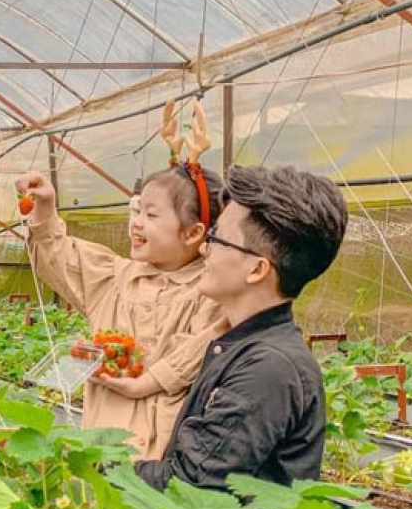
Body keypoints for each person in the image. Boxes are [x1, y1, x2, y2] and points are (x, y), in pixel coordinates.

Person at [15, 100, 227, 461]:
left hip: (164, 454)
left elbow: (206, 344)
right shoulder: (116, 277)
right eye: (137, 210)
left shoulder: (211, 291)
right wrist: (45, 209)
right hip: (100, 443)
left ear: (193, 233)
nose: (137, 223)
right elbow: (58, 256)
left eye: (151, 214)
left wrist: (148, 380)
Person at [136, 164, 349, 491]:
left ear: (257, 269)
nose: (204, 248)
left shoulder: (268, 369)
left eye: (217, 237)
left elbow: (191, 486)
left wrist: (96, 463)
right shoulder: (244, 344)